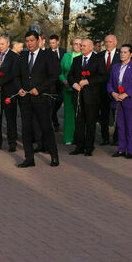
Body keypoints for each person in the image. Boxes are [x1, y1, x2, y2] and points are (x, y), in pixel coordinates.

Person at [17, 30, 60, 168]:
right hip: (25, 100)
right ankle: (29, 158)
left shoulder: (47, 55)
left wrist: (40, 89)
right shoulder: (22, 56)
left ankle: (54, 156)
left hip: (41, 98)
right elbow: (17, 76)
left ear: (38, 40)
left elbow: (54, 76)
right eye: (27, 41)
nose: (29, 43)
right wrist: (19, 88)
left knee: (46, 127)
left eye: (32, 40)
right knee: (26, 129)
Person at [68, 38, 106, 157]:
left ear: (91, 47)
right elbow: (70, 76)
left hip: (92, 97)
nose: (81, 47)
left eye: (84, 45)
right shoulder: (76, 60)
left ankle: (89, 147)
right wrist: (74, 84)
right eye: (80, 45)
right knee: (79, 123)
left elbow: (102, 77)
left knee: (90, 123)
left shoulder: (98, 59)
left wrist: (88, 81)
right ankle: (79, 146)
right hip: (78, 97)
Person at [107, 44, 132, 158]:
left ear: (131, 54)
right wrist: (113, 93)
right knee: (120, 126)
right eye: (121, 52)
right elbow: (109, 83)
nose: (122, 54)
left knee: (130, 126)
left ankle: (130, 150)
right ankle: (121, 149)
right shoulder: (115, 67)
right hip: (117, 100)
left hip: (130, 100)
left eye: (125, 52)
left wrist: (126, 94)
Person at [0, 36, 20, 152]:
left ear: (8, 43)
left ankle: (12, 143)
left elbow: (13, 74)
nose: (0, 46)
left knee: (10, 118)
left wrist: (0, 83)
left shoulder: (14, 57)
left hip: (8, 91)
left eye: (2, 44)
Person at [59, 37, 82, 144]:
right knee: (69, 114)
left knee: (80, 114)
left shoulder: (84, 56)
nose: (77, 46)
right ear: (72, 45)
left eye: (79, 44)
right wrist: (64, 80)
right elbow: (60, 71)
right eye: (75, 43)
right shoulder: (66, 56)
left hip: (81, 90)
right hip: (67, 89)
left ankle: (79, 137)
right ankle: (68, 138)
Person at [99, 34, 118, 145]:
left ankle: (117, 138)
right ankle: (105, 138)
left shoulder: (121, 54)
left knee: (117, 115)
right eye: (106, 42)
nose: (107, 44)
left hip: (116, 91)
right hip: (102, 90)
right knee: (104, 115)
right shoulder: (100, 55)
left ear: (115, 42)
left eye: (110, 42)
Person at [47, 35, 66, 132]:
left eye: (53, 43)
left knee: (59, 101)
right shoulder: (47, 52)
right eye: (50, 43)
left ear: (57, 42)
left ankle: (51, 119)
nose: (51, 45)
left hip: (62, 81)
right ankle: (55, 123)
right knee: (53, 102)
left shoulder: (63, 52)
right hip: (52, 82)